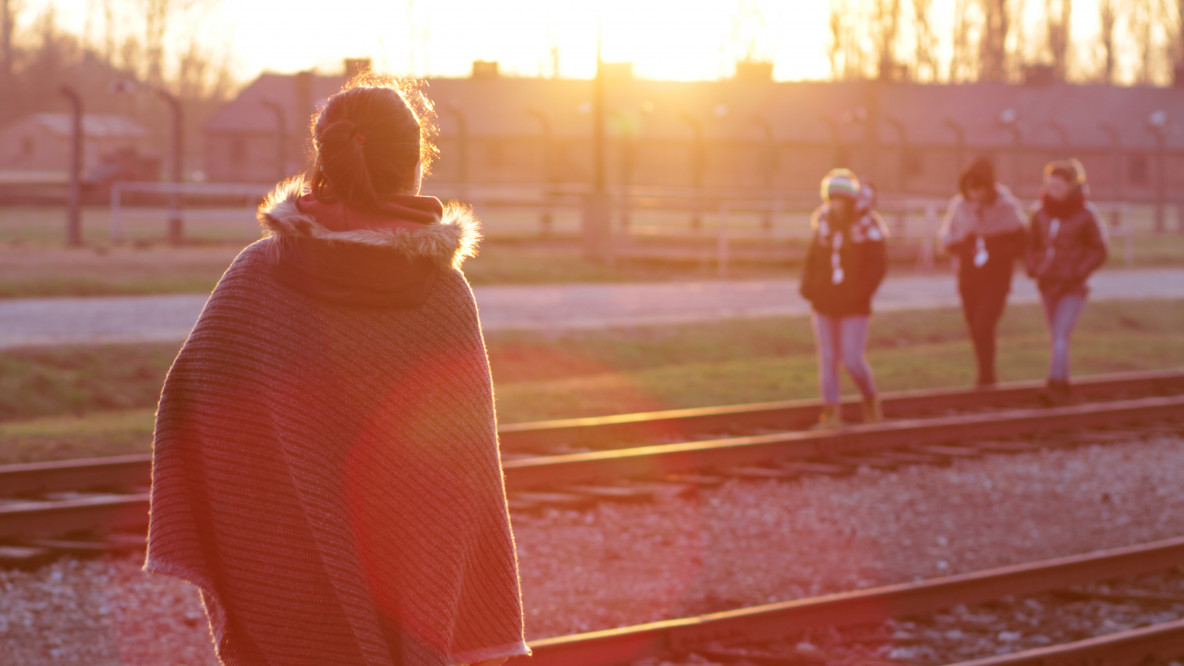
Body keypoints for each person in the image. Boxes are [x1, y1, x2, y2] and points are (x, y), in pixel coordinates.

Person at [144, 75, 528, 666]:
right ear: (413, 166)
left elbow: (187, 418)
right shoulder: (444, 296)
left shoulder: (256, 277)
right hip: (410, 592)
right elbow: (465, 478)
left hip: (280, 587)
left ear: (324, 157)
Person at [799, 169, 888, 428]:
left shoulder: (867, 226)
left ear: (850, 199)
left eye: (841, 199)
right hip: (825, 302)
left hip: (855, 304)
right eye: (832, 199)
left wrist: (861, 292)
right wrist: (810, 287)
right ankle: (831, 413)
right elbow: (812, 261)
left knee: (851, 359)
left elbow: (877, 265)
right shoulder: (823, 224)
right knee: (828, 358)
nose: (836, 204)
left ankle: (871, 401)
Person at [1026, 159, 1108, 404]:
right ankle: (1063, 384)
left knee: (1061, 333)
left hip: (1072, 286)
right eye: (1050, 186)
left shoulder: (1085, 214)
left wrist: (1077, 271)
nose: (1053, 191)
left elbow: (1099, 250)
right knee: (1056, 336)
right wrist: (1034, 267)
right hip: (1047, 283)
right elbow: (1031, 245)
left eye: (1059, 187)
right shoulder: (1039, 212)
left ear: (1072, 187)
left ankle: (1055, 385)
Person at [940, 157, 1028, 388]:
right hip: (969, 278)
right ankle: (986, 375)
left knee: (984, 323)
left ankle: (987, 376)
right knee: (973, 324)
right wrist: (966, 247)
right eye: (969, 189)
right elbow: (948, 239)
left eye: (978, 188)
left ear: (989, 187)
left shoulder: (1007, 208)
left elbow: (1021, 243)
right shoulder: (959, 206)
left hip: (996, 279)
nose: (974, 195)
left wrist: (996, 248)